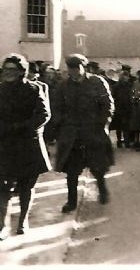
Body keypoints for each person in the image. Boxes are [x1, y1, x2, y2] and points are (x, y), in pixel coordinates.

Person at [53, 54, 115, 213]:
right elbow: (57, 108)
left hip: (93, 131)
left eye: (77, 68)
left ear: (84, 67)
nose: (74, 72)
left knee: (98, 166)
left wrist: (102, 124)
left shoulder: (97, 82)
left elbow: (108, 105)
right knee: (71, 171)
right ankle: (71, 201)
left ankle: (102, 190)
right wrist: (62, 126)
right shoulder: (63, 86)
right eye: (71, 68)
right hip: (72, 134)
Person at [0, 54, 52, 239]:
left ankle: (23, 221)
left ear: (22, 72)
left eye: (12, 70)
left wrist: (21, 127)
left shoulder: (34, 89)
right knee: (3, 186)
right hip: (5, 144)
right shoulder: (1, 90)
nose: (7, 73)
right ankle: (3, 225)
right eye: (5, 69)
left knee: (26, 186)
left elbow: (44, 115)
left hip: (27, 143)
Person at [110, 65, 133, 148]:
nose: (126, 78)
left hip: (127, 108)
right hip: (119, 108)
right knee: (119, 126)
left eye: (127, 76)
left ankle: (126, 141)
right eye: (124, 76)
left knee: (126, 126)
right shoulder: (116, 86)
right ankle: (119, 141)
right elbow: (113, 96)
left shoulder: (130, 86)